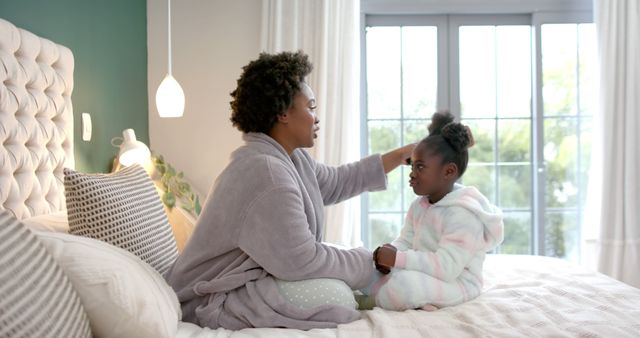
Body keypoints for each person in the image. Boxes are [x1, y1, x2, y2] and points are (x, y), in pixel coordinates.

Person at [165, 51, 414, 330]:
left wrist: (402, 155)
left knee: (341, 287)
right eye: (311, 107)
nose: (317, 118)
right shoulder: (267, 174)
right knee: (335, 297)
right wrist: (369, 262)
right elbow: (304, 261)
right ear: (283, 113)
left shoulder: (290, 159)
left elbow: (336, 182)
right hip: (208, 300)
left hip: (244, 282)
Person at [358, 111, 504, 311]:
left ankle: (369, 303)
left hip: (457, 281)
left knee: (405, 286)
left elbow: (447, 268)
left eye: (420, 167)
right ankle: (381, 291)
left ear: (449, 172)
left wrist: (399, 259)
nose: (412, 174)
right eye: (412, 167)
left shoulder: (463, 215)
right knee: (364, 266)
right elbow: (406, 241)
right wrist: (386, 256)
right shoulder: (419, 205)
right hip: (427, 271)